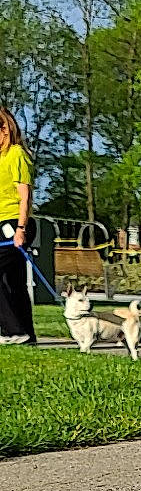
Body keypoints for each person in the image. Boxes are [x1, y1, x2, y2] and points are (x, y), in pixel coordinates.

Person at [0, 106, 36, 343]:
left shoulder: (17, 154)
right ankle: (26, 335)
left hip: (16, 223)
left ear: (4, 129)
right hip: (1, 223)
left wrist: (21, 229)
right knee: (14, 281)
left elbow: (25, 196)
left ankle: (12, 330)